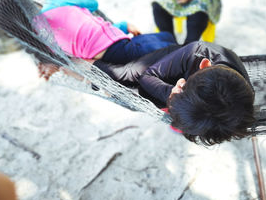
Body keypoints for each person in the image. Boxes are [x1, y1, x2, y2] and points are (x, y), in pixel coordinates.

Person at [93, 41, 255, 145]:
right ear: (204, 65)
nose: (180, 86)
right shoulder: (197, 52)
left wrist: (179, 104)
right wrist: (170, 92)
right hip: (176, 60)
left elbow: (212, 119)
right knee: (124, 75)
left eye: (181, 87)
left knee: (134, 98)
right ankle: (87, 64)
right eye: (183, 87)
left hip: (198, 98)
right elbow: (147, 76)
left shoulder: (237, 106)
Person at [35, 0, 177, 64]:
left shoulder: (41, 37)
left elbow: (87, 39)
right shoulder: (54, 2)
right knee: (172, 49)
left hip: (113, 48)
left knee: (166, 36)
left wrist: (123, 25)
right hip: (118, 50)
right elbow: (92, 3)